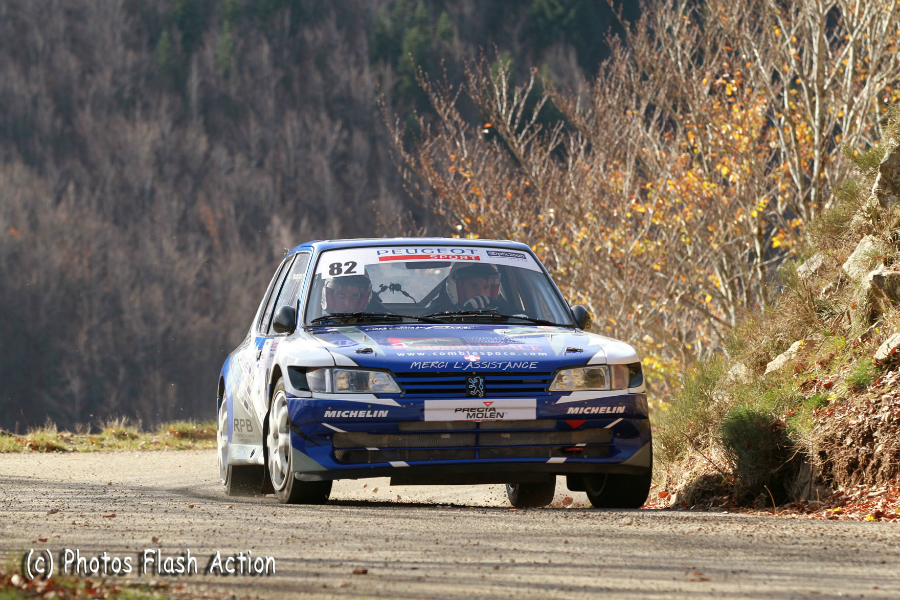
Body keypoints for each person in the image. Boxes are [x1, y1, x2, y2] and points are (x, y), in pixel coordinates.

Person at [427, 262, 510, 313]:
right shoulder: (436, 317)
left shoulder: (505, 314)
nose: (480, 293)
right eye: (473, 286)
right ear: (455, 289)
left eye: (486, 287)